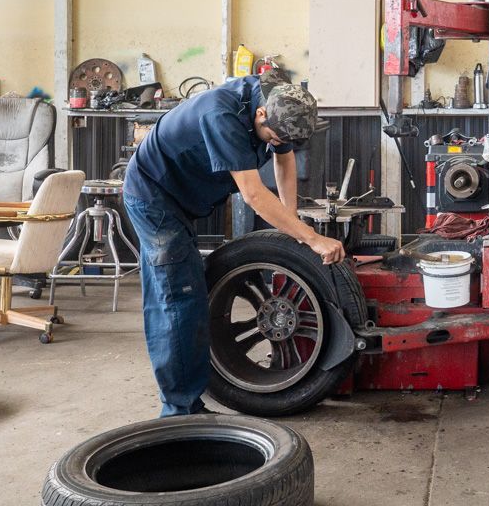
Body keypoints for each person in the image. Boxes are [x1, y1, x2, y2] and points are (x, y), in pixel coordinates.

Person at [123, 71, 345, 416]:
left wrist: (291, 224)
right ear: (260, 115)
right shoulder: (221, 115)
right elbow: (254, 194)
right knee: (178, 297)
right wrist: (311, 237)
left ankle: (185, 397)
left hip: (185, 195)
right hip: (154, 197)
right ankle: (180, 412)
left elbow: (283, 159)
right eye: (271, 136)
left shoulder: (280, 103)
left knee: (186, 287)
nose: (274, 143)